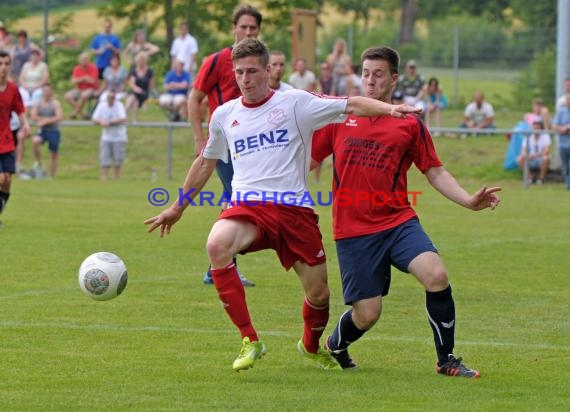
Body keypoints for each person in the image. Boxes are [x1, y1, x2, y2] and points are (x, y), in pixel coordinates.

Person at [144, 38, 420, 373]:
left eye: (252, 71)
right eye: (240, 73)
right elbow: (205, 162)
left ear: (267, 71)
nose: (246, 79)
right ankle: (250, 339)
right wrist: (177, 207)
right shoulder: (224, 115)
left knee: (319, 295)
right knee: (217, 244)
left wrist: (390, 109)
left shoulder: (296, 103)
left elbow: (351, 105)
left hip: (294, 211)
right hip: (249, 206)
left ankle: (310, 345)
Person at [311, 45, 501, 377]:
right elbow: (307, 161)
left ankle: (447, 360)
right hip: (353, 230)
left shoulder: (410, 124)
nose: (370, 81)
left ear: (394, 79)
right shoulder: (341, 116)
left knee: (436, 275)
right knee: (368, 314)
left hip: (397, 221)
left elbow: (435, 171)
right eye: (365, 73)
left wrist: (469, 201)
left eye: (378, 74)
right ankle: (335, 345)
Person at [187, 3, 263, 287]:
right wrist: (199, 137)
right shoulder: (218, 60)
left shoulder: (259, 63)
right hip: (225, 145)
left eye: (252, 28)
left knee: (238, 199)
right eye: (242, 27)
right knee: (237, 199)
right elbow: (194, 99)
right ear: (234, 28)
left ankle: (218, 264)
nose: (247, 32)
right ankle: (220, 266)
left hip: (252, 145)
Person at [0, 50, 31, 226]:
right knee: (1, 178)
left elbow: (19, 109)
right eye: (0, 64)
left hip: (6, 141)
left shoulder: (12, 89)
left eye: (6, 64)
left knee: (7, 181)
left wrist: (25, 124)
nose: (3, 68)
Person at [28, 84, 63, 178]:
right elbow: (33, 116)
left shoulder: (55, 103)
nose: (47, 93)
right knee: (35, 141)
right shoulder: (38, 103)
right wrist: (45, 120)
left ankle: (52, 176)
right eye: (45, 91)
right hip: (43, 130)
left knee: (53, 154)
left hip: (54, 130)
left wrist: (46, 121)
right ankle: (38, 162)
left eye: (48, 91)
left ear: (51, 92)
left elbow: (59, 116)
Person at [92, 89, 128, 181]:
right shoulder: (102, 105)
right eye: (109, 97)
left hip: (119, 136)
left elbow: (123, 118)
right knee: (104, 159)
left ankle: (116, 178)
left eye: (113, 97)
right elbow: (94, 118)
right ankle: (104, 178)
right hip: (106, 136)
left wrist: (110, 122)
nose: (111, 99)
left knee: (118, 160)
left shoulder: (119, 105)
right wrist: (101, 121)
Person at [65, 52, 100, 119]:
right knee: (67, 96)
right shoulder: (77, 68)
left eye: (86, 59)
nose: (84, 61)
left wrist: (80, 79)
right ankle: (82, 114)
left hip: (91, 89)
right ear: (80, 60)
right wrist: (84, 78)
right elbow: (73, 81)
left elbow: (93, 81)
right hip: (79, 89)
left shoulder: (93, 67)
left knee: (84, 95)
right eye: (82, 59)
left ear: (88, 60)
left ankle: (75, 113)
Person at [516, 117, 551, 185]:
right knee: (519, 159)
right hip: (531, 158)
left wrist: (536, 155)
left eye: (537, 128)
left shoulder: (545, 136)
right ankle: (530, 177)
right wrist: (527, 155)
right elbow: (523, 150)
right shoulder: (528, 136)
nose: (536, 130)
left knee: (545, 158)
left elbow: (547, 150)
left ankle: (541, 178)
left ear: (541, 128)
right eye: (534, 128)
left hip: (540, 158)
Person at [125, 52, 155, 122]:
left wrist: (148, 97)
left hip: (144, 92)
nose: (141, 62)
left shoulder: (149, 71)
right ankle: (133, 119)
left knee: (134, 97)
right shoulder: (134, 71)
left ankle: (123, 113)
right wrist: (137, 89)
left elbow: (152, 85)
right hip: (135, 91)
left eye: (143, 60)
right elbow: (132, 83)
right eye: (140, 60)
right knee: (133, 97)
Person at [553, 93, 570, 190]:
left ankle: (568, 185)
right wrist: (563, 129)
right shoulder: (561, 112)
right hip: (563, 144)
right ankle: (567, 184)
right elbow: (554, 125)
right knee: (566, 166)